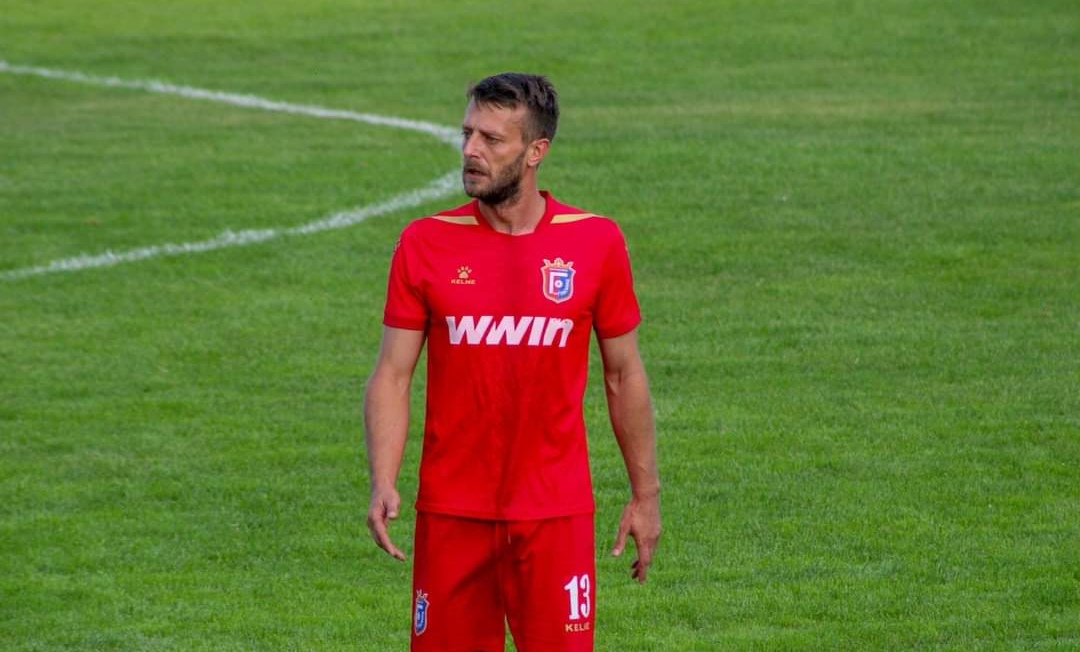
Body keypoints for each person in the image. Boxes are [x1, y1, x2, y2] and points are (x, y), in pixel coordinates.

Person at [364, 72, 661, 652]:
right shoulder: (425, 242)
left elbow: (623, 375)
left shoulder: (595, 241)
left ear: (535, 151)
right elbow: (392, 375)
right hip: (451, 514)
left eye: (492, 139)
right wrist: (382, 479)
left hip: (555, 516)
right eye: (467, 133)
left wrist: (644, 496)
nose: (471, 150)